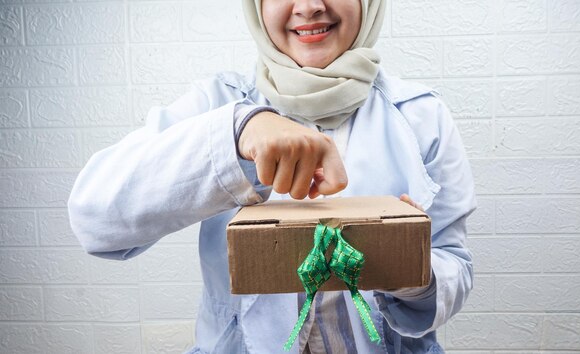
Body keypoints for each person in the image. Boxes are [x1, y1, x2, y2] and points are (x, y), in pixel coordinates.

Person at [67, 0, 476, 352]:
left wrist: (410, 273)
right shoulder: (218, 103)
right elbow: (95, 217)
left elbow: (454, 264)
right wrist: (238, 134)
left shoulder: (422, 116)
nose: (309, 6)